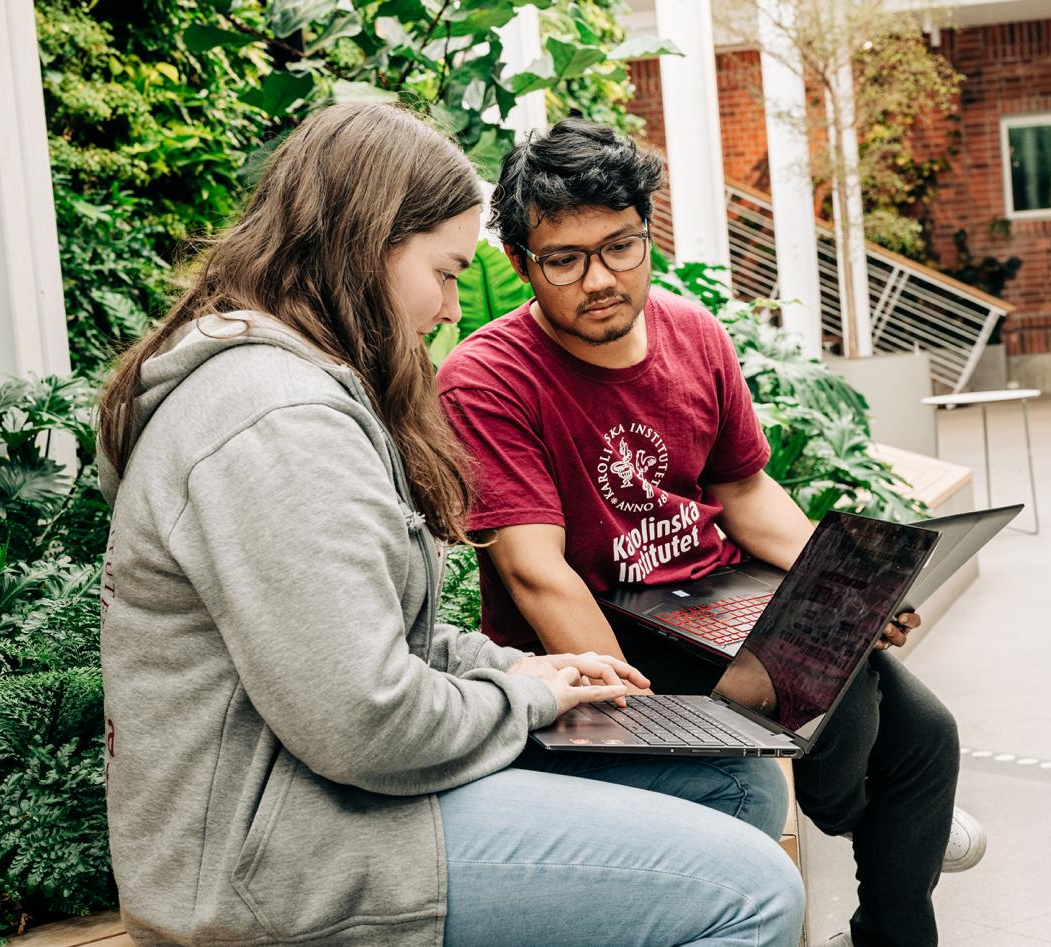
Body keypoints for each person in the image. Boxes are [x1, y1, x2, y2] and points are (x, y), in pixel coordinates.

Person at [96, 102, 805, 946]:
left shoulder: (301, 391)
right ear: (369, 248)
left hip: (335, 796)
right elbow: (361, 720)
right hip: (287, 853)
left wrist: (535, 668)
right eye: (445, 271)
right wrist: (525, 695)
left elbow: (384, 640)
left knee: (739, 788)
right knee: (753, 891)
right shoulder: (274, 422)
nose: (450, 307)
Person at [437, 118, 983, 947]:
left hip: (720, 603)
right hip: (611, 629)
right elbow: (536, 572)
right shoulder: (488, 375)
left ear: (648, 233)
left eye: (621, 246)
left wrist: (843, 595)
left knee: (923, 730)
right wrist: (637, 712)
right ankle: (873, 814)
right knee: (834, 697)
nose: (600, 279)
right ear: (520, 263)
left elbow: (744, 488)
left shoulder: (694, 334)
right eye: (565, 259)